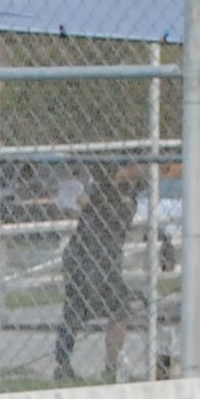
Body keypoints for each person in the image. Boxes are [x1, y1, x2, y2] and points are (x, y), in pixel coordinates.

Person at [56, 161, 146, 382]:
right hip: (84, 255)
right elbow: (105, 177)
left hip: (107, 259)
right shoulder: (105, 189)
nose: (141, 170)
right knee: (76, 309)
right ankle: (63, 365)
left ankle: (110, 367)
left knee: (119, 311)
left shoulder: (131, 194)